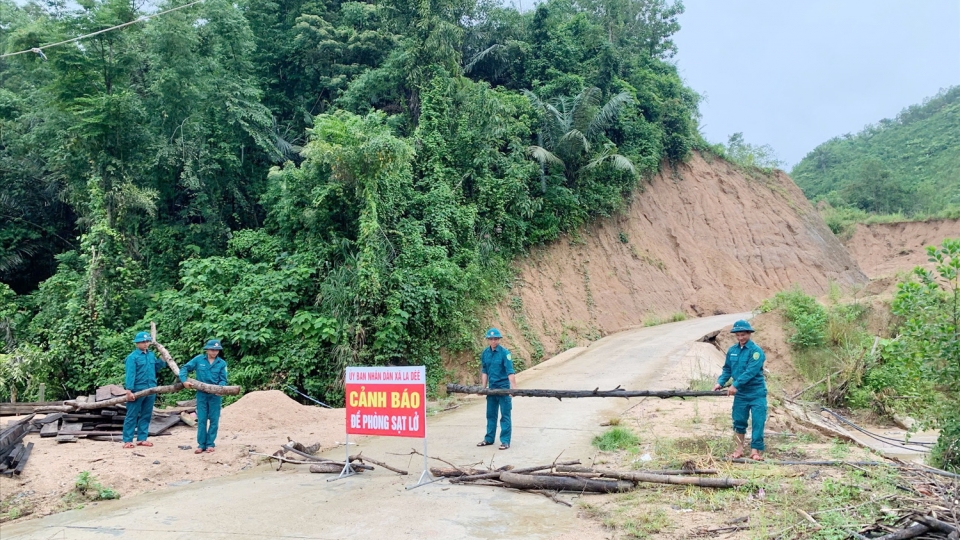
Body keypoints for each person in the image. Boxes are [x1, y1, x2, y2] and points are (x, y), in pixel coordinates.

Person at [713, 319, 767, 461]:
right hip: (741, 395)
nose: (740, 338)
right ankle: (739, 449)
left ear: (749, 334)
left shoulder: (756, 352)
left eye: (743, 335)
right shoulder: (732, 351)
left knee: (758, 421)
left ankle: (755, 451)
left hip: (757, 393)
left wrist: (735, 385)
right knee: (739, 421)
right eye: (738, 335)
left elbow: (750, 372)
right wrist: (720, 382)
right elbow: (727, 369)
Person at [180, 339, 229, 454]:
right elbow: (184, 369)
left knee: (214, 420)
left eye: (217, 350)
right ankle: (201, 444)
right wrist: (184, 381)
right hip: (201, 394)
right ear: (207, 350)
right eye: (212, 349)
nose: (214, 352)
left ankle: (210, 444)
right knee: (201, 420)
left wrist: (220, 389)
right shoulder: (198, 360)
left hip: (215, 396)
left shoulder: (222, 363)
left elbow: (223, 379)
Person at [122, 331, 167, 449]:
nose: (145, 344)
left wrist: (163, 358)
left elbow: (156, 367)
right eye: (143, 342)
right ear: (137, 343)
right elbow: (130, 374)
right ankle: (127, 440)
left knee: (146, 414)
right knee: (132, 415)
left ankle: (142, 439)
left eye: (147, 341)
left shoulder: (151, 355)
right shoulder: (132, 357)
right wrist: (129, 390)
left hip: (151, 388)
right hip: (137, 390)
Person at [477, 328, 516, 450]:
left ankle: (505, 441)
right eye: (491, 339)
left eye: (496, 339)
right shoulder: (485, 353)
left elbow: (510, 372)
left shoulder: (505, 353)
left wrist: (513, 389)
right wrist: (483, 388)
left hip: (504, 389)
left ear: (499, 339)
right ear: (488, 340)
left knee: (505, 415)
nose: (493, 341)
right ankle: (489, 439)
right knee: (490, 415)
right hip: (492, 389)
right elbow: (485, 371)